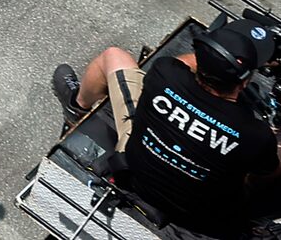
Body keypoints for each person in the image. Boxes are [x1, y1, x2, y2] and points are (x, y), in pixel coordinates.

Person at [53, 23, 280, 239]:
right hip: (198, 216)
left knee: (114, 56)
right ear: (244, 82)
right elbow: (262, 179)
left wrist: (216, 54)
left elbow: (183, 63)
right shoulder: (255, 136)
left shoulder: (164, 74)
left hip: (136, 175)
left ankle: (78, 106)